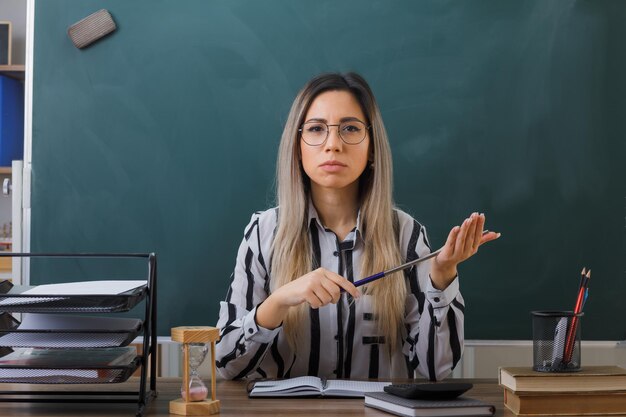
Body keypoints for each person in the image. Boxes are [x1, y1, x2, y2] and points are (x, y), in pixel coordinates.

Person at [215, 72, 499, 381]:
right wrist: (279, 300)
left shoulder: (406, 235)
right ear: (297, 147)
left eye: (350, 128)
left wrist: (442, 278)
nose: (333, 144)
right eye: (316, 129)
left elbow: (435, 370)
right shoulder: (262, 232)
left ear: (372, 147)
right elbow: (228, 364)